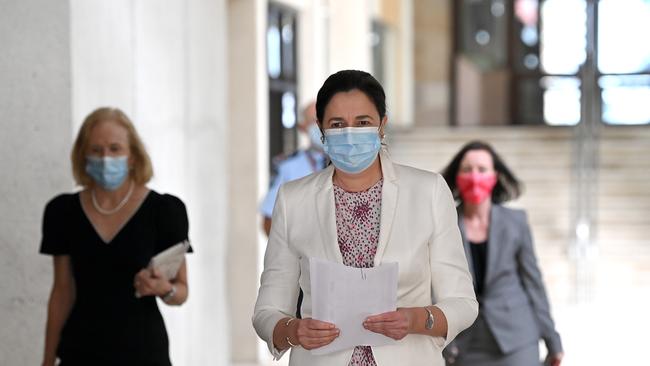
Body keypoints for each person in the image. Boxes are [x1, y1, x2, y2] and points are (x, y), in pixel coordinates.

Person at [252, 70, 478, 366]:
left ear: (382, 125)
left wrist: (416, 319)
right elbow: (266, 311)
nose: (349, 134)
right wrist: (293, 330)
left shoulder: (428, 191)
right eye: (337, 124)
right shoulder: (293, 199)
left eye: (362, 123)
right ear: (320, 129)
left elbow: (463, 303)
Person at [40, 107, 191, 366]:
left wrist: (163, 289)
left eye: (114, 148)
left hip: (143, 352)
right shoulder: (62, 212)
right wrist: (46, 360)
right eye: (96, 150)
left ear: (132, 156)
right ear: (83, 155)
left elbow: (181, 291)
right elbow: (62, 292)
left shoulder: (164, 211)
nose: (106, 158)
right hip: (80, 352)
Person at [440, 141, 564, 366]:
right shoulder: (444, 223)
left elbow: (533, 283)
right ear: (457, 176)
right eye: (467, 169)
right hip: (466, 344)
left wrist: (552, 340)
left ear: (495, 176)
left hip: (517, 338)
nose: (474, 176)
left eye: (482, 169)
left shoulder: (516, 222)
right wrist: (443, 341)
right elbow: (435, 284)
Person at [260, 101, 327, 236]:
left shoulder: (349, 161)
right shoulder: (289, 167)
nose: (321, 126)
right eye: (314, 121)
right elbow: (269, 220)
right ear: (302, 127)